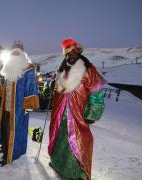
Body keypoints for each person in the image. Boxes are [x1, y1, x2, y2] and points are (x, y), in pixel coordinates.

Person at [48, 38, 106, 180]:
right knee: (59, 141)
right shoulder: (62, 69)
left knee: (78, 144)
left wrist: (91, 114)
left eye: (73, 52)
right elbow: (57, 87)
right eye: (68, 53)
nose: (71, 55)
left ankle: (77, 174)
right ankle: (57, 165)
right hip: (60, 115)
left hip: (77, 116)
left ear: (78, 51)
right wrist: (52, 86)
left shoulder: (88, 70)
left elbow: (97, 93)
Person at [0, 47, 40, 166]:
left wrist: (27, 109)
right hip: (6, 106)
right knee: (4, 127)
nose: (13, 59)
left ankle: (10, 153)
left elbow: (32, 90)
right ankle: (4, 146)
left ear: (21, 57)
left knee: (13, 130)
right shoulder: (8, 69)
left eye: (16, 56)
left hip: (19, 109)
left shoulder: (28, 70)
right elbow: (3, 86)